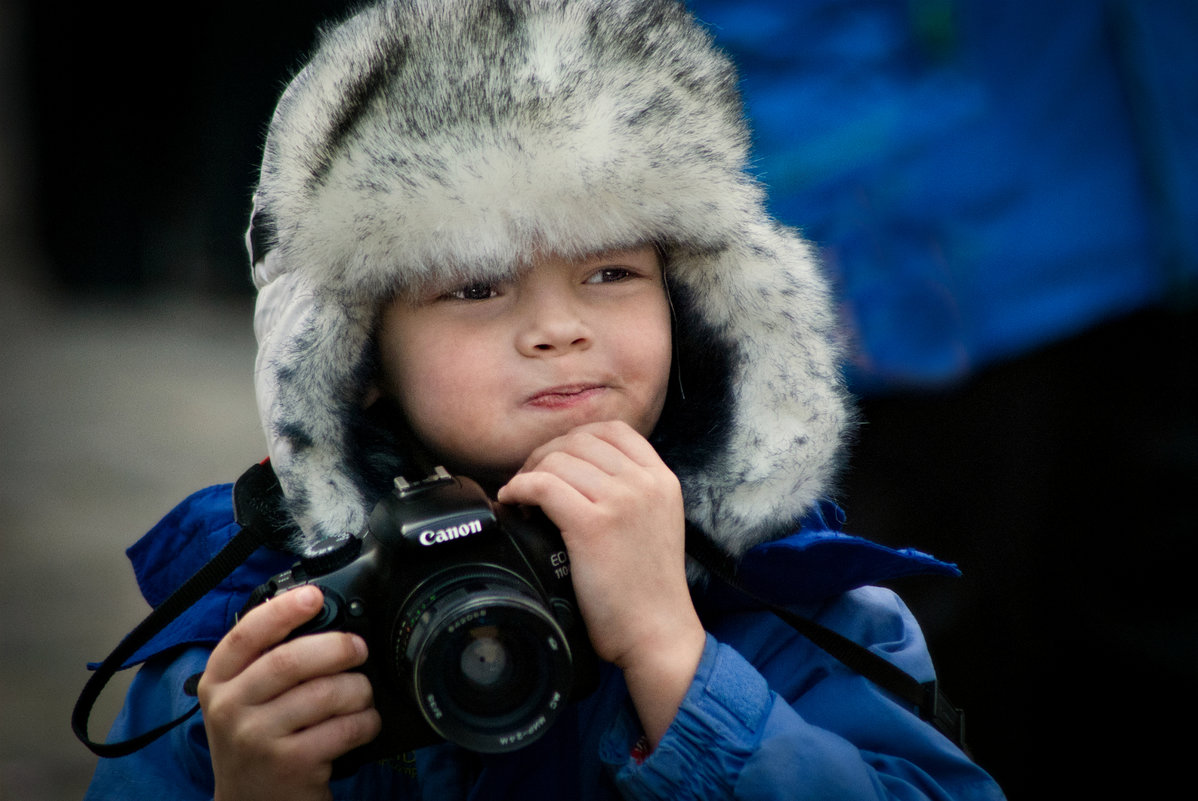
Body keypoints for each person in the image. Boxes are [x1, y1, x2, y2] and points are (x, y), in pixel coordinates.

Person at [83, 1, 1005, 799]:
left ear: (690, 304)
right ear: (354, 353)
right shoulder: (251, 630)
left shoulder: (801, 604)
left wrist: (674, 657)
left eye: (612, 270)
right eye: (477, 286)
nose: (559, 329)